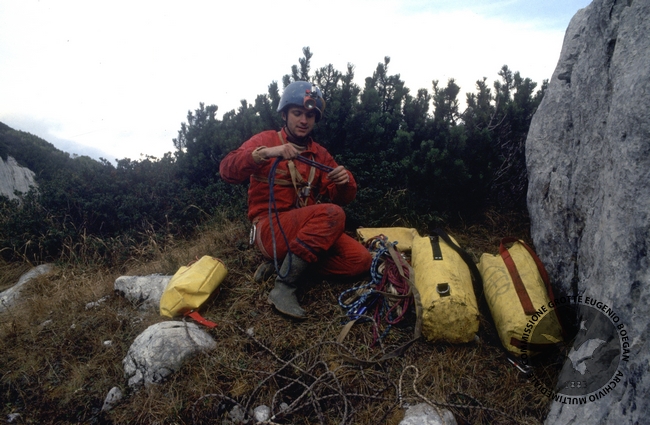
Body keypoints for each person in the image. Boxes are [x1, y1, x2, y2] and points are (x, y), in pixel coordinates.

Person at [219, 81, 372, 319]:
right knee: (332, 214)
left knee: (360, 261)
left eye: (310, 116)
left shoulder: (319, 153)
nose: (303, 120)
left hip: (304, 231)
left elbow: (341, 197)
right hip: (269, 229)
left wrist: (345, 181)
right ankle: (284, 287)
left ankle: (283, 265)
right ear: (284, 115)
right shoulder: (267, 139)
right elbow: (227, 170)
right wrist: (266, 153)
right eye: (297, 113)